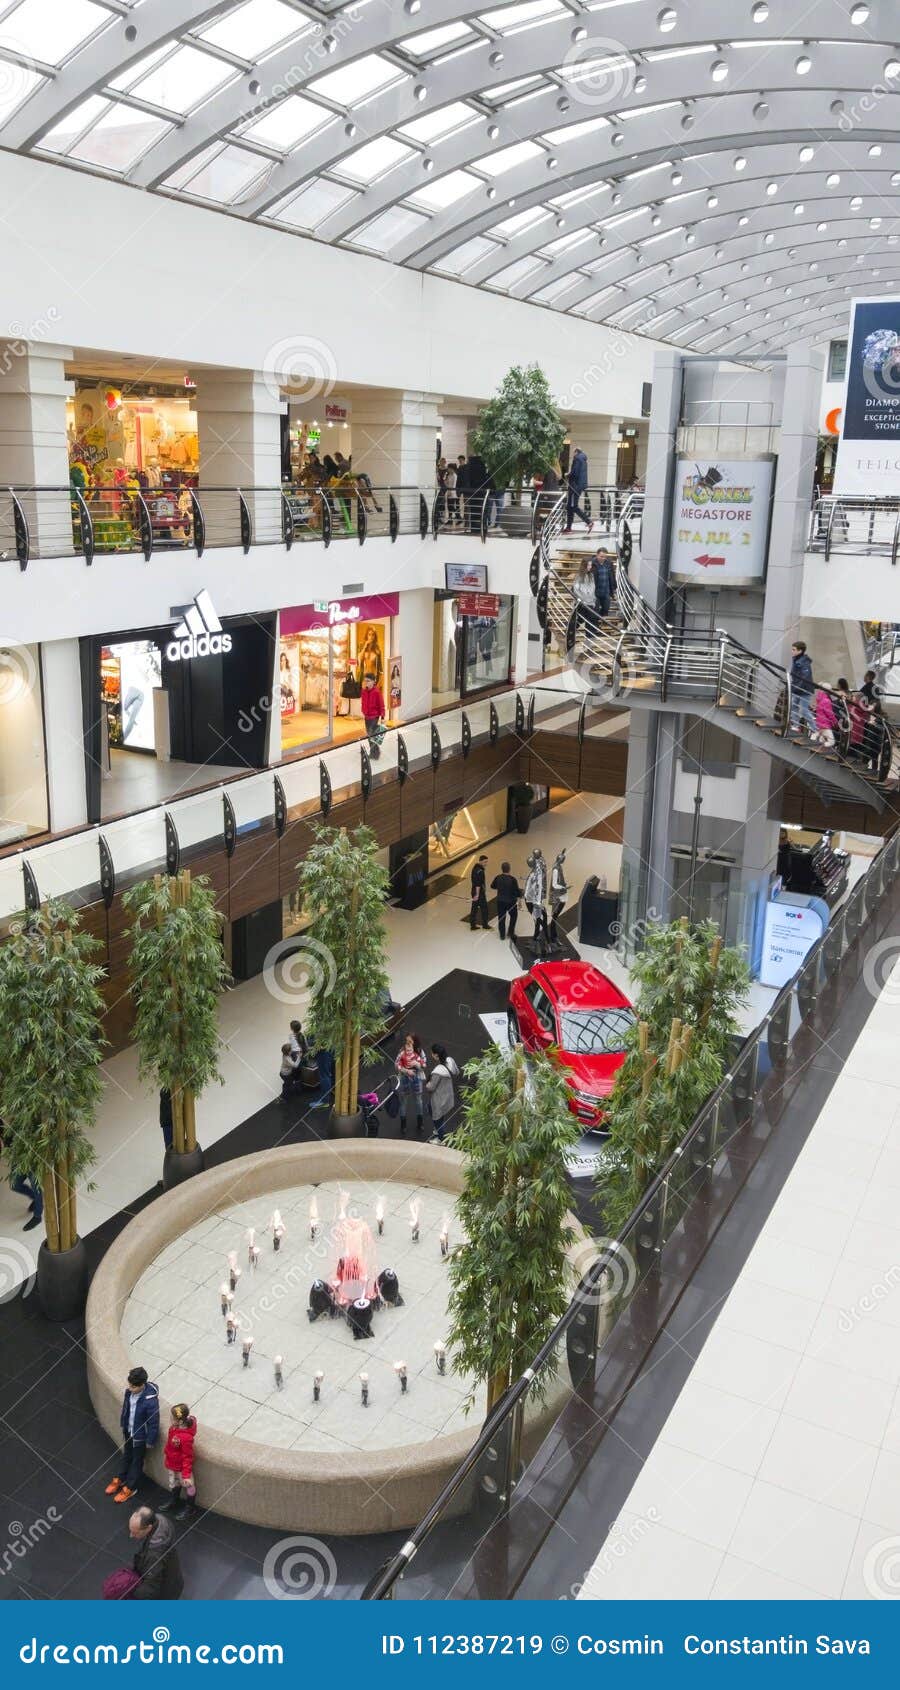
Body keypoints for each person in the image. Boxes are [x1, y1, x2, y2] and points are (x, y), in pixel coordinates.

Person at [106, 1367, 159, 1505]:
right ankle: (121, 1478)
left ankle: (131, 1487)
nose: (130, 1388)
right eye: (129, 1385)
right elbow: (126, 1409)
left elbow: (154, 1422)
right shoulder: (129, 1393)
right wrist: (124, 1425)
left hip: (140, 1437)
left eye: (133, 1386)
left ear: (142, 1385)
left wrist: (150, 1441)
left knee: (137, 1461)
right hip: (129, 1431)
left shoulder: (150, 1401)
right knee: (127, 1455)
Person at [129, 1506, 184, 1600]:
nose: (131, 1535)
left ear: (149, 1528)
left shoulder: (154, 1555)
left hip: (165, 1594)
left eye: (135, 1532)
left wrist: (132, 1594)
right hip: (174, 1578)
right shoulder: (160, 1519)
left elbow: (151, 1587)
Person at [160, 1403, 198, 1524]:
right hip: (172, 1464)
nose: (170, 1420)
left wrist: (186, 1475)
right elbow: (170, 1444)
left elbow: (188, 1456)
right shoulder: (173, 1428)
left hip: (182, 1468)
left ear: (181, 1421)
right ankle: (174, 1500)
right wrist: (166, 1453)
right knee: (175, 1483)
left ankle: (190, 1508)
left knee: (189, 1486)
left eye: (172, 1418)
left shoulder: (186, 1438)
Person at [395, 1033, 427, 1136]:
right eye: (406, 1041)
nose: (407, 1043)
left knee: (418, 1100)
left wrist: (417, 1064)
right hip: (405, 1077)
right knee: (403, 1101)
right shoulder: (402, 1050)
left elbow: (424, 1064)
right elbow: (396, 1063)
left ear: (415, 1042)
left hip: (417, 1077)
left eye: (410, 1041)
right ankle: (403, 1124)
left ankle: (420, 1122)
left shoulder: (419, 1051)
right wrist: (405, 1070)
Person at [427, 1044, 460, 1143]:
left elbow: (430, 1087)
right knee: (435, 1110)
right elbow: (456, 1072)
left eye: (432, 1053)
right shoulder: (450, 1060)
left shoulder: (437, 1071)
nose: (431, 1055)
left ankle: (441, 1139)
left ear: (436, 1055)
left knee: (437, 1118)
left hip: (439, 1098)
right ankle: (439, 1129)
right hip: (448, 1094)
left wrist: (427, 1083)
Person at [564, 444, 593, 535]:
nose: (573, 454)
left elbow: (575, 473)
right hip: (579, 486)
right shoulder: (583, 459)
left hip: (574, 486)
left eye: (573, 452)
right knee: (570, 507)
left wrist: (567, 475)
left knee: (573, 506)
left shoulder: (577, 459)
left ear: (576, 452)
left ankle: (588, 522)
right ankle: (569, 527)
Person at [789, 640, 816, 735]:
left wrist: (796, 687)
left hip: (804, 689)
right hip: (797, 688)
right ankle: (795, 726)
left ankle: (816, 729)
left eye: (794, 649)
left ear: (800, 651)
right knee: (793, 706)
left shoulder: (804, 662)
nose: (791, 651)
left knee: (804, 710)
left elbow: (805, 677)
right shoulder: (796, 659)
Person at [491, 861, 522, 940]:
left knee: (501, 918)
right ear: (509, 869)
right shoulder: (512, 879)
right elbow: (517, 892)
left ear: (502, 869)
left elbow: (492, 886)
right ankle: (510, 932)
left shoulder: (498, 877)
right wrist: (519, 902)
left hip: (500, 901)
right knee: (514, 916)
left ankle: (502, 935)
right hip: (511, 901)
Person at [8, 1166, 43, 1232]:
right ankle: (36, 1199)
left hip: (34, 1163)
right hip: (18, 1160)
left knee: (36, 1188)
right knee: (14, 1185)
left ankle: (37, 1216)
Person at [360, 672, 386, 755]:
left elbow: (381, 705)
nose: (366, 683)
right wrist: (363, 711)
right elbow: (363, 702)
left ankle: (374, 753)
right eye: (365, 681)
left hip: (374, 717)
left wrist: (382, 718)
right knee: (370, 735)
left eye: (368, 681)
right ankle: (376, 751)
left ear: (373, 681)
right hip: (366, 716)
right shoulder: (364, 691)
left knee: (371, 735)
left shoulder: (377, 692)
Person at [591, 550, 617, 617]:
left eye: (605, 557)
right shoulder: (592, 563)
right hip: (595, 592)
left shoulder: (608, 563)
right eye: (601, 556)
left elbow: (612, 576)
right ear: (597, 555)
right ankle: (595, 623)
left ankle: (599, 621)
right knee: (595, 611)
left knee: (606, 610)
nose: (603, 558)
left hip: (606, 592)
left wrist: (614, 588)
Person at [469, 853, 490, 930]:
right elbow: (478, 884)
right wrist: (477, 894)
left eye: (487, 862)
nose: (486, 864)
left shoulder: (475, 868)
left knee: (474, 908)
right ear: (480, 861)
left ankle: (472, 925)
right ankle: (485, 924)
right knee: (484, 908)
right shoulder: (480, 871)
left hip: (473, 890)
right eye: (485, 862)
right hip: (479, 893)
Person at [443, 458, 459, 526]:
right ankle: (450, 520)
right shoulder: (449, 475)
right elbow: (447, 484)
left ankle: (459, 517)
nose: (448, 470)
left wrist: (450, 491)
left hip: (453, 493)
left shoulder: (455, 476)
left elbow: (453, 485)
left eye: (449, 468)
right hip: (449, 492)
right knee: (449, 507)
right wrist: (445, 479)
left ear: (452, 469)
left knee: (452, 507)